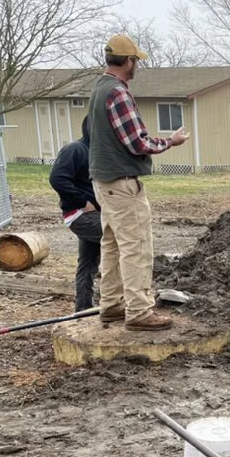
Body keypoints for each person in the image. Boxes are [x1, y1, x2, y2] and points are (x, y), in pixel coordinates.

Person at [88, 34, 189, 331]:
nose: (137, 67)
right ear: (128, 61)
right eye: (136, 61)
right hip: (122, 183)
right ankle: (139, 311)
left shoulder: (99, 89)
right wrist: (170, 141)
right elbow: (137, 143)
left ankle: (111, 304)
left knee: (112, 245)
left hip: (104, 181)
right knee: (136, 246)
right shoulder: (117, 93)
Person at [49, 116, 99, 312]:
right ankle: (121, 300)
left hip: (93, 215)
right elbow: (57, 178)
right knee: (122, 239)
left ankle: (83, 309)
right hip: (82, 215)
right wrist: (82, 201)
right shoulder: (76, 149)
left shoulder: (96, 152)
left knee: (88, 262)